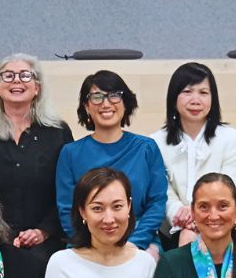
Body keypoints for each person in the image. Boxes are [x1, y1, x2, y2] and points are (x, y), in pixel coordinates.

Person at [0, 54, 73, 257]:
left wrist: (44, 231)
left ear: (37, 88)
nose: (16, 80)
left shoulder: (58, 132)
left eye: (25, 75)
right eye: (8, 76)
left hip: (48, 240)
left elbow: (68, 190)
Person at [54, 70, 167, 250]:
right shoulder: (70, 153)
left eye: (114, 96)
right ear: (86, 106)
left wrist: (134, 243)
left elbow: (157, 202)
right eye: (97, 97)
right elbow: (67, 209)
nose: (106, 104)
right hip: (87, 239)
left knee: (149, 262)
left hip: (139, 237)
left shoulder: (147, 148)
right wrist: (91, 244)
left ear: (125, 103)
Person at [150, 62, 236, 248]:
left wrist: (201, 215)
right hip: (175, 225)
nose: (195, 100)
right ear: (174, 98)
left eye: (203, 92)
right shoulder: (155, 142)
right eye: (187, 92)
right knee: (187, 236)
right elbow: (163, 192)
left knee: (192, 237)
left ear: (213, 98)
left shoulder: (231, 138)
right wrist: (181, 214)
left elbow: (232, 189)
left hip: (221, 221)